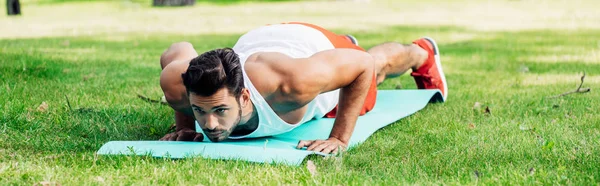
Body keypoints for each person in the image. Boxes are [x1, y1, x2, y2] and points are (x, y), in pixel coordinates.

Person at [158, 22, 447, 154]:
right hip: (266, 39)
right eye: (199, 110)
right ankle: (338, 52)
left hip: (311, 47)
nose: (209, 123)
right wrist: (187, 124)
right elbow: (176, 49)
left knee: (374, 65)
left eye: (221, 110)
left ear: (245, 97)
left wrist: (339, 139)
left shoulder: (291, 85)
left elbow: (361, 65)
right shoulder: (180, 84)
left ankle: (421, 52)